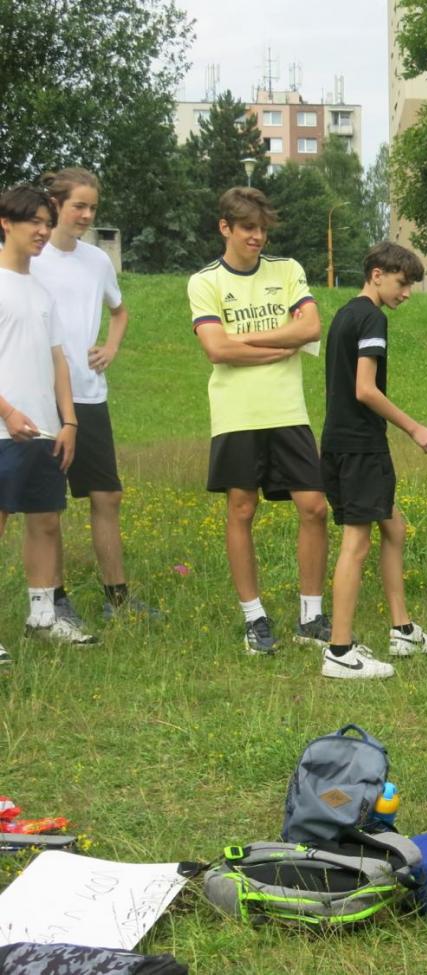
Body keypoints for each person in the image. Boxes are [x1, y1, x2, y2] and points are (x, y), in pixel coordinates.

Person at [187, 187, 330, 655]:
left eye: (263, 229)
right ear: (225, 227)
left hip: (288, 411)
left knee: (314, 507)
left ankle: (311, 616)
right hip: (237, 414)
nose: (257, 237)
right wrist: (278, 345)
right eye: (248, 228)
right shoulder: (204, 281)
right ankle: (255, 618)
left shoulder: (287, 271)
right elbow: (216, 349)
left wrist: (245, 341)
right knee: (242, 510)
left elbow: (309, 328)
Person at [31, 168, 156, 624]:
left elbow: (119, 311)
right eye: (78, 206)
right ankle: (55, 600)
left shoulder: (97, 262)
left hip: (88, 396)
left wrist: (111, 346)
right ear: (55, 204)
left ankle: (117, 598)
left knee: (107, 496)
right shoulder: (29, 258)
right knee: (46, 505)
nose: (86, 215)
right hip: (40, 398)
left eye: (92, 208)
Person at [319, 242, 427, 680]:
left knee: (394, 525)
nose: (406, 292)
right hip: (360, 447)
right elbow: (365, 389)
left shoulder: (345, 314)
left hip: (339, 442)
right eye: (402, 282)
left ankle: (402, 630)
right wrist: (415, 428)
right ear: (376, 274)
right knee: (357, 544)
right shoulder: (372, 317)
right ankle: (338, 651)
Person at [0, 184, 95, 663]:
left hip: (43, 431)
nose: (41, 230)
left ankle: (42, 615)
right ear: (5, 223)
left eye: (45, 221)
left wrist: (70, 422)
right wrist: (7, 411)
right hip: (3, 431)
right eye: (32, 221)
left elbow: (59, 361)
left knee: (46, 523)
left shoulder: (40, 289)